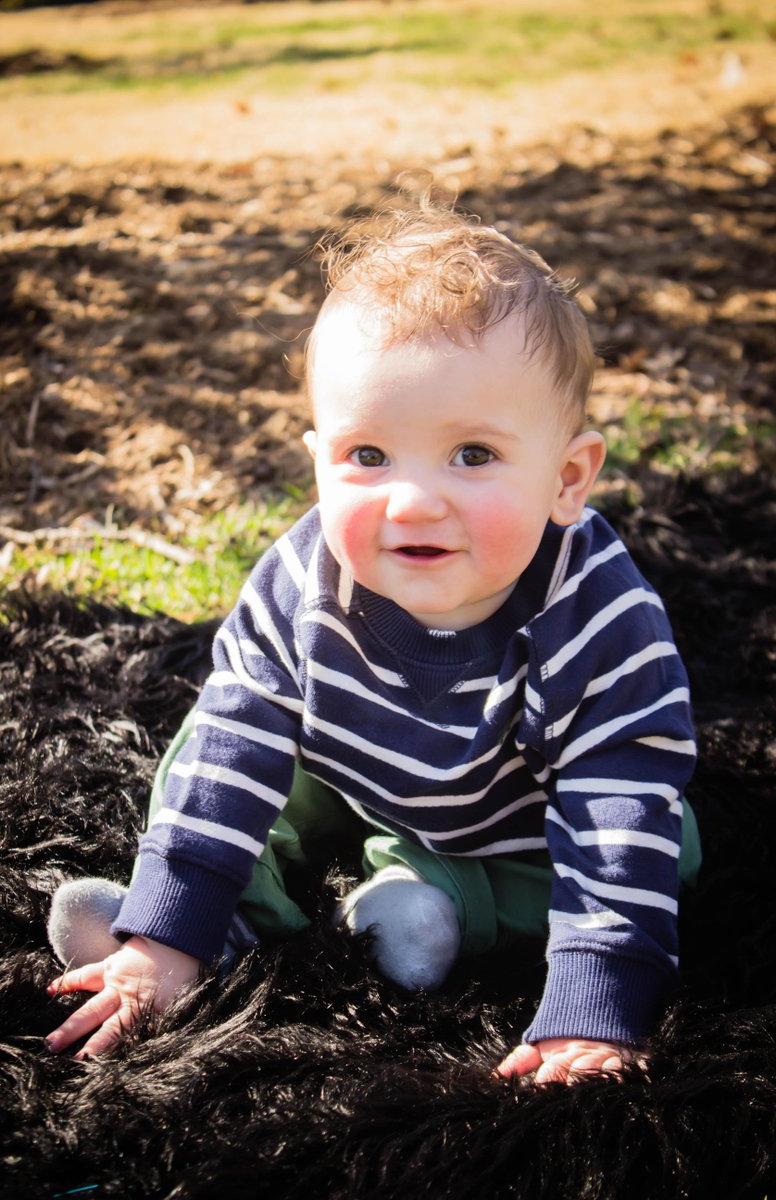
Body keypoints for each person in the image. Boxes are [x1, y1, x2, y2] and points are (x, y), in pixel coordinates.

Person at [45, 204, 701, 1085]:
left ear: (567, 477)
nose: (413, 502)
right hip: (357, 767)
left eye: (473, 455)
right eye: (369, 455)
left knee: (650, 848)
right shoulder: (301, 584)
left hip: (517, 825)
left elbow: (612, 802)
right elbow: (236, 741)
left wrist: (598, 1005)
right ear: (318, 461)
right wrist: (167, 930)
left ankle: (434, 899)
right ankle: (204, 927)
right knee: (216, 744)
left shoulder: (596, 615)